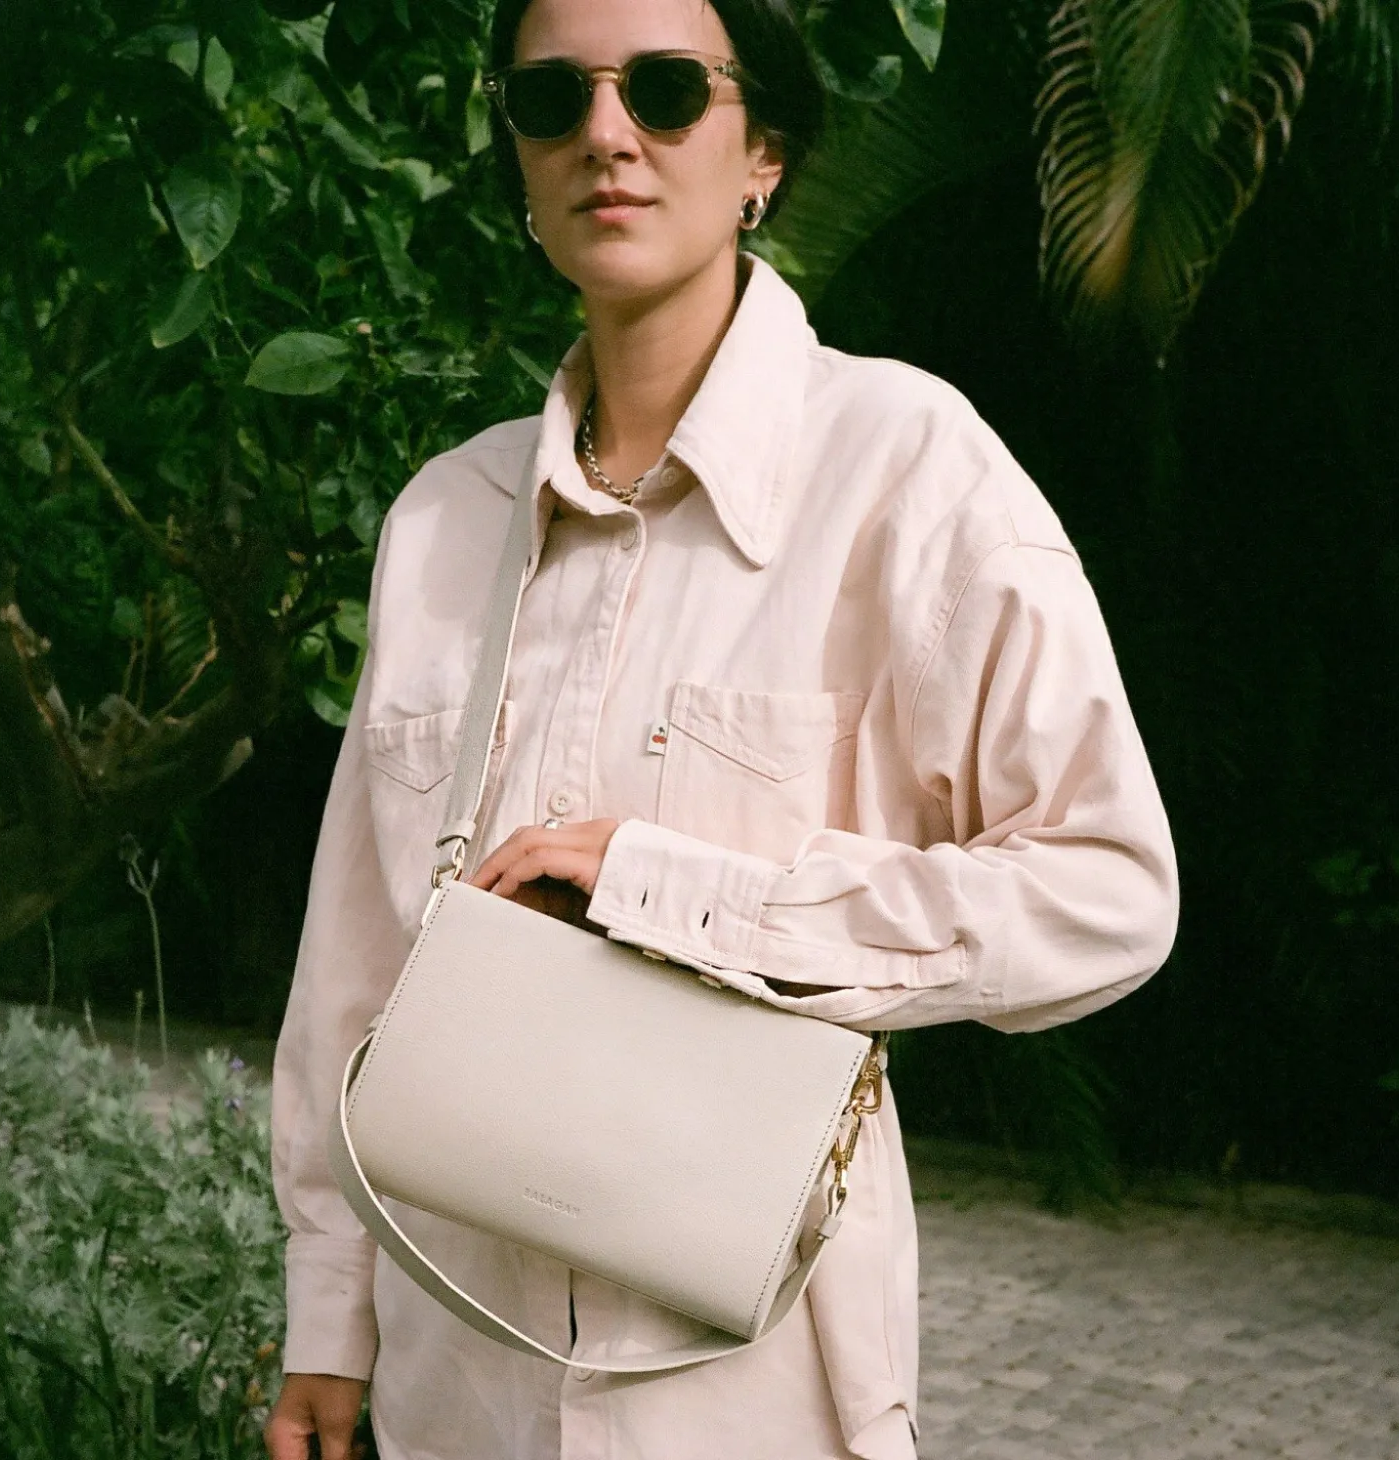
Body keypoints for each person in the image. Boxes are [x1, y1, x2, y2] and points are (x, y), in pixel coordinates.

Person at [263, 0, 1179, 1456]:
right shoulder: (448, 518)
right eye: (552, 97)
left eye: (668, 90)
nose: (606, 135)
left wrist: (682, 892)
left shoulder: (904, 471)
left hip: (749, 1392)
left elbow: (1108, 893)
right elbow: (355, 963)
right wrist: (329, 1324)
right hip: (459, 1382)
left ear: (766, 154)